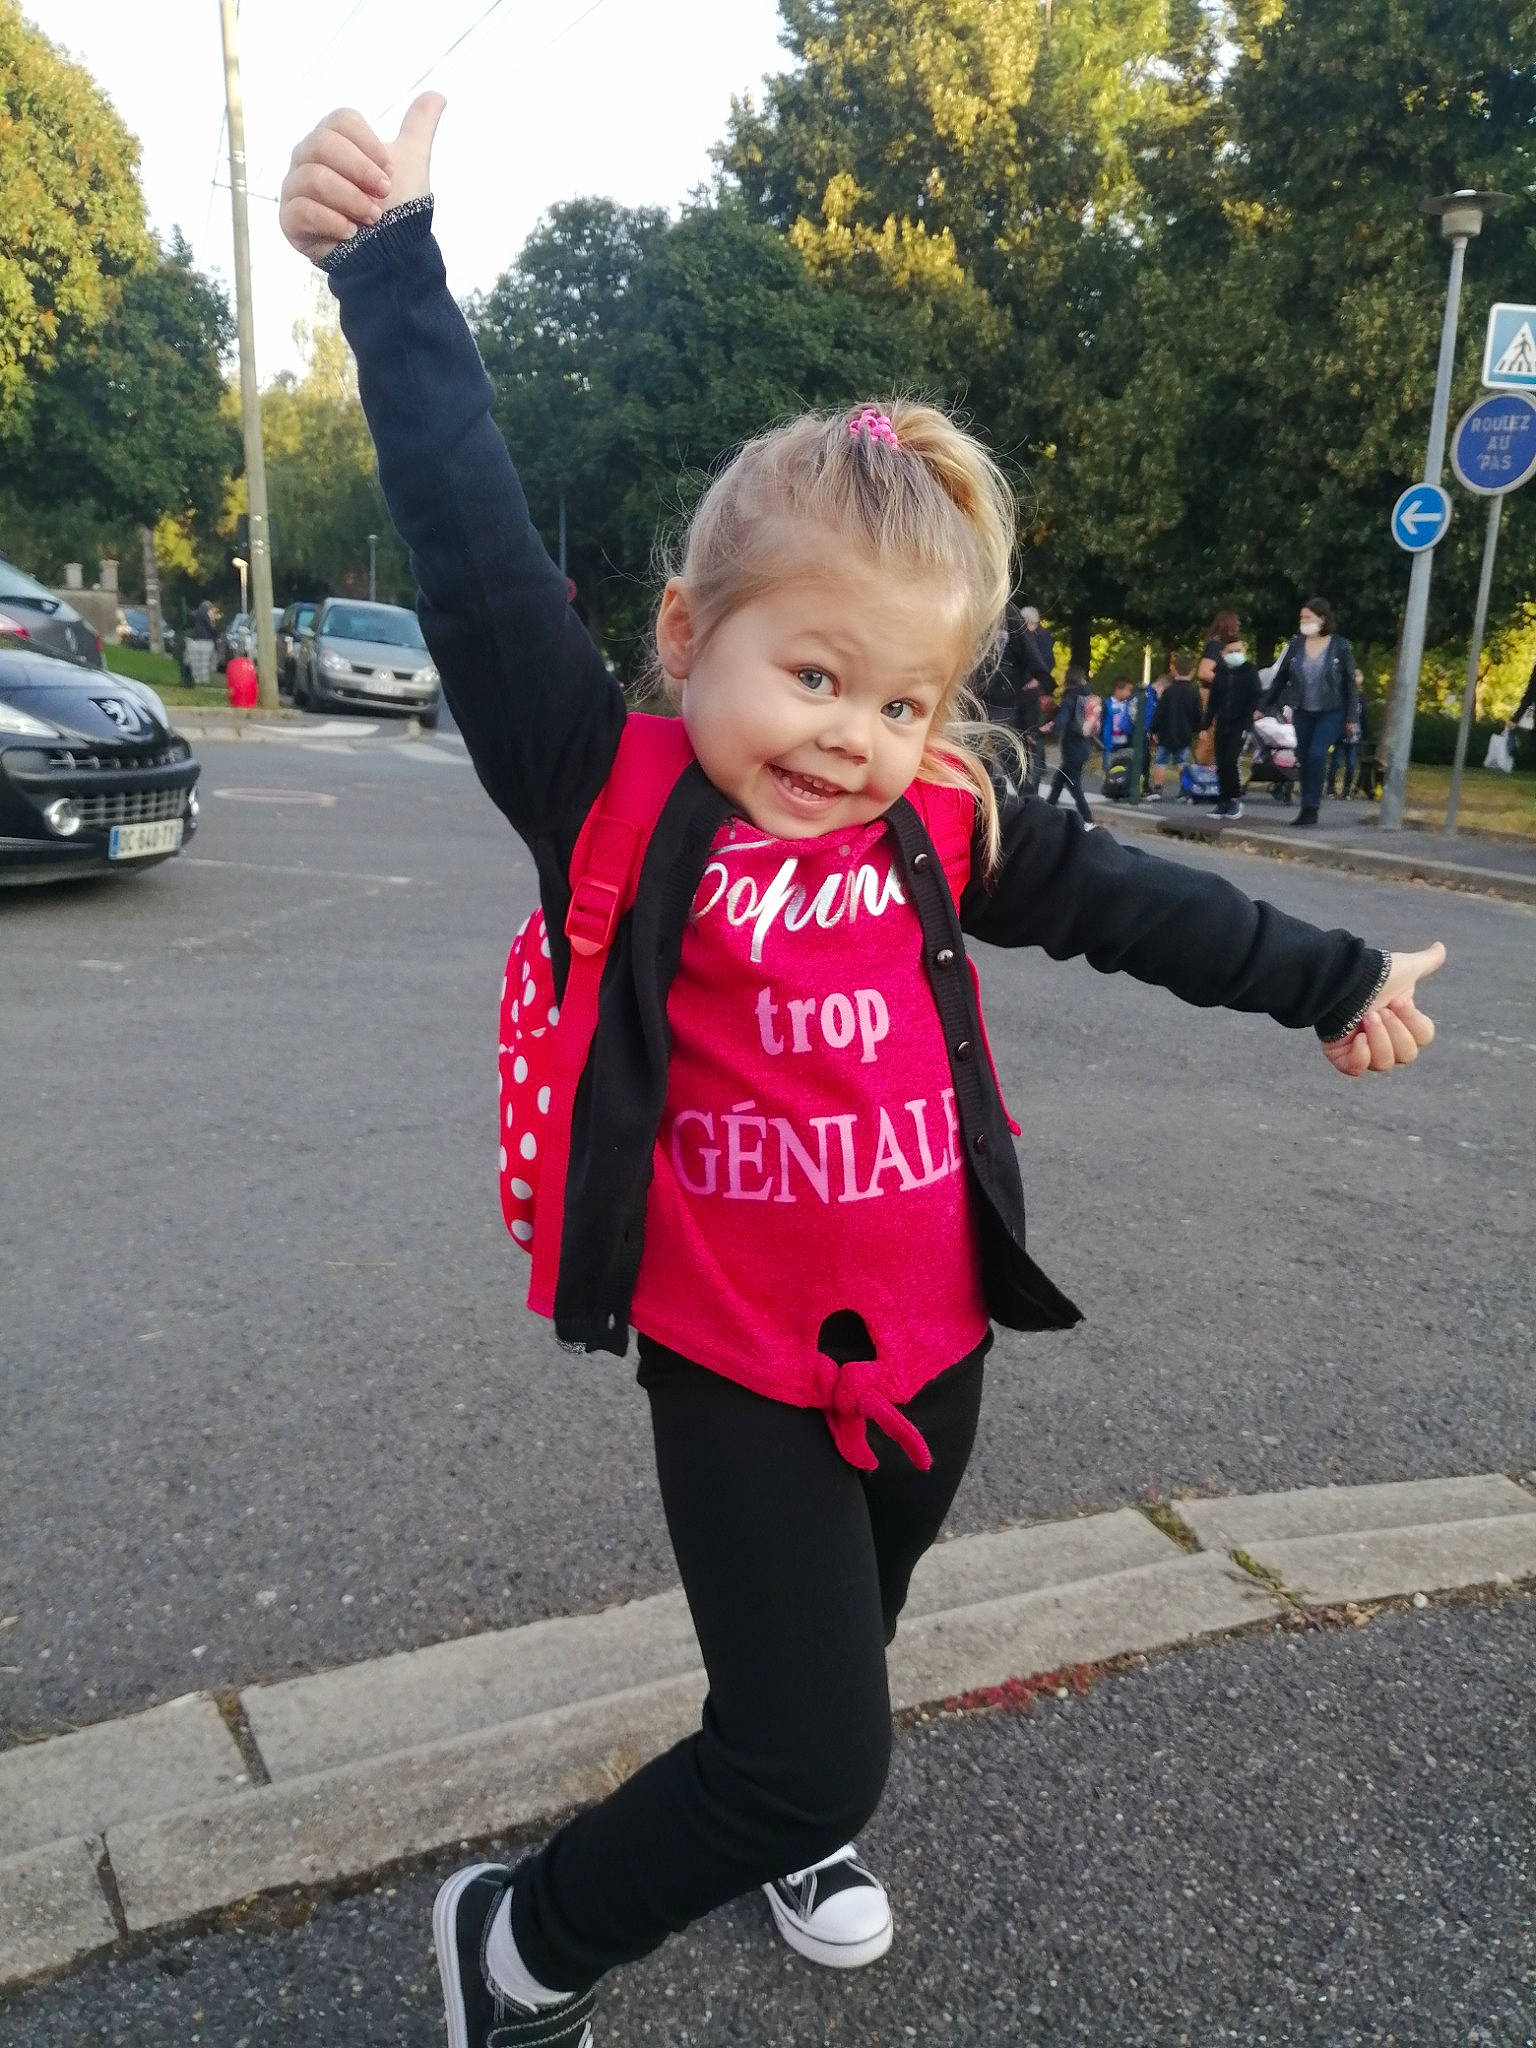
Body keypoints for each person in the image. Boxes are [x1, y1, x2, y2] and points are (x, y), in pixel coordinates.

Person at [280, 98, 1447, 2048]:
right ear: (687, 639)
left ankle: (784, 1809)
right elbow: (478, 558)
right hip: (737, 1357)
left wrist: (1331, 974)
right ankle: (521, 1936)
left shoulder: (940, 824)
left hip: (933, 1337)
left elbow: (1141, 905)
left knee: (844, 1663)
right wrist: (390, 274)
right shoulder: (616, 793)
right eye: (811, 677)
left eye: (902, 699)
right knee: (820, 1749)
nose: (856, 737)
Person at [1263, 598, 1359, 826]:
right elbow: (1281, 678)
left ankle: (1313, 805)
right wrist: (1263, 704)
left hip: (1331, 710)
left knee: (1317, 753)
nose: (1303, 621)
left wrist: (1351, 717)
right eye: (1301, 618)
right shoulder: (1296, 645)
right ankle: (1306, 807)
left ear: (1322, 619)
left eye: (1308, 617)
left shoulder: (1340, 646)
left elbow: (1349, 683)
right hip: (1303, 710)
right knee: (1304, 757)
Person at [1203, 631, 1263, 819]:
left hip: (1241, 722)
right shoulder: (1221, 672)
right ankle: (1223, 800)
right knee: (1221, 762)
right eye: (1231, 651)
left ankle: (1235, 799)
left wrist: (1253, 715)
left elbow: (1256, 695)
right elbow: (1213, 701)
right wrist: (1205, 724)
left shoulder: (1249, 671)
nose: (1236, 654)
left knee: (1230, 760)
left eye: (1239, 650)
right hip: (1223, 722)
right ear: (1223, 653)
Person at [1045, 664, 1098, 825]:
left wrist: (1049, 727)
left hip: (1072, 748)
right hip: (1083, 746)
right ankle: (1047, 811)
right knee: (1058, 782)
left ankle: (1088, 819)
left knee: (1074, 786)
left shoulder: (1070, 698)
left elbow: (1061, 722)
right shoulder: (1087, 697)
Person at [1148, 653, 1201, 799]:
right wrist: (1197, 729)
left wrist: (1154, 729)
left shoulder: (1168, 691)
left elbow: (1159, 712)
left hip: (1166, 733)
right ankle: (1184, 790)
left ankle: (1158, 789)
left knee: (1161, 762)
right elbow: (1198, 715)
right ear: (1192, 672)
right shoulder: (1193, 692)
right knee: (1181, 762)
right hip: (1184, 733)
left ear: (1174, 671)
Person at [1101, 676, 1135, 779]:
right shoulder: (1107, 704)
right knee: (1109, 767)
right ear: (1118, 690)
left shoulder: (1128, 705)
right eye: (1128, 690)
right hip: (1110, 741)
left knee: (1123, 766)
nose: (1130, 693)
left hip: (1124, 741)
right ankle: (1108, 784)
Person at [1199, 608, 1241, 689]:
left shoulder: (1223, 645)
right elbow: (1203, 672)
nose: (1237, 627)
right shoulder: (1215, 645)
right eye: (1235, 623)